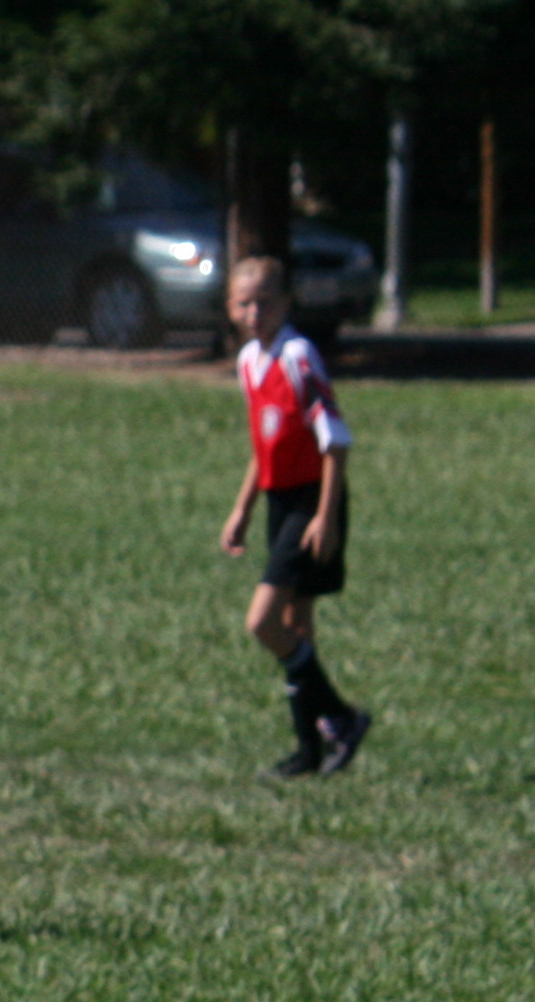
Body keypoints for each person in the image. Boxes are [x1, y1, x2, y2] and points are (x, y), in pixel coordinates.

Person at [217, 257, 370, 779]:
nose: (254, 313)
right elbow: (265, 447)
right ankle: (310, 750)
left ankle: (343, 718)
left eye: (265, 302)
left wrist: (326, 517)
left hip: (311, 502)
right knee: (295, 627)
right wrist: (242, 509)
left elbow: (335, 441)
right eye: (244, 303)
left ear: (286, 303)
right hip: (280, 501)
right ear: (230, 308)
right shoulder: (248, 362)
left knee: (262, 622)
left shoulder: (298, 356)